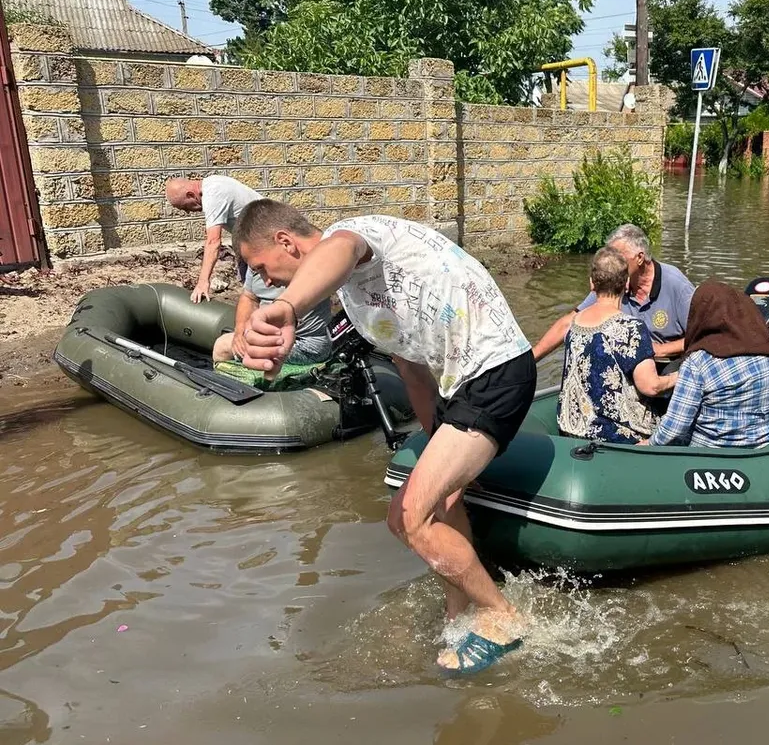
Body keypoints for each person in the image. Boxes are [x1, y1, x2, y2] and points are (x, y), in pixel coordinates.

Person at [233, 201, 535, 675]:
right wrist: (441, 445)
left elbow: (343, 248)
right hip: (459, 388)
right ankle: (461, 614)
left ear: (286, 243)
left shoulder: (354, 235)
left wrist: (288, 307)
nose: (264, 282)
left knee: (408, 518)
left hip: (496, 372)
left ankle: (504, 614)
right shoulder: (356, 300)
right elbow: (413, 372)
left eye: (260, 268)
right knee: (439, 503)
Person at [557, 247, 677, 443]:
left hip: (571, 428)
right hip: (615, 435)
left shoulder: (575, 323)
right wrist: (680, 377)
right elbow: (651, 387)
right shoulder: (631, 327)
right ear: (627, 283)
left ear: (591, 283)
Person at [649, 280, 769, 448]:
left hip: (716, 452)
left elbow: (675, 427)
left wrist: (648, 444)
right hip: (767, 443)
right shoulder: (765, 351)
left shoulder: (697, 363)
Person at [532, 224, 694, 361]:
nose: (612, 263)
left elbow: (705, 336)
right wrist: (531, 360)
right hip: (629, 362)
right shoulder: (613, 281)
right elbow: (569, 323)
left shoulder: (675, 284)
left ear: (640, 257)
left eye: (619, 257)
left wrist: (662, 349)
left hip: (667, 363)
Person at [211, 265, 333, 367]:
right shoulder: (256, 260)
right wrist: (240, 331)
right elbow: (249, 297)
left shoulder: (302, 262)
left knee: (222, 346)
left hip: (305, 345)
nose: (267, 282)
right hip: (271, 335)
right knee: (235, 342)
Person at [165, 175, 263, 303]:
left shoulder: (213, 195)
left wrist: (202, 282)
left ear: (190, 195)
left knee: (261, 290)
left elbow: (213, 241)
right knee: (250, 289)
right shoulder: (212, 182)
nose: (188, 212)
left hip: (266, 241)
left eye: (185, 207)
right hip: (251, 240)